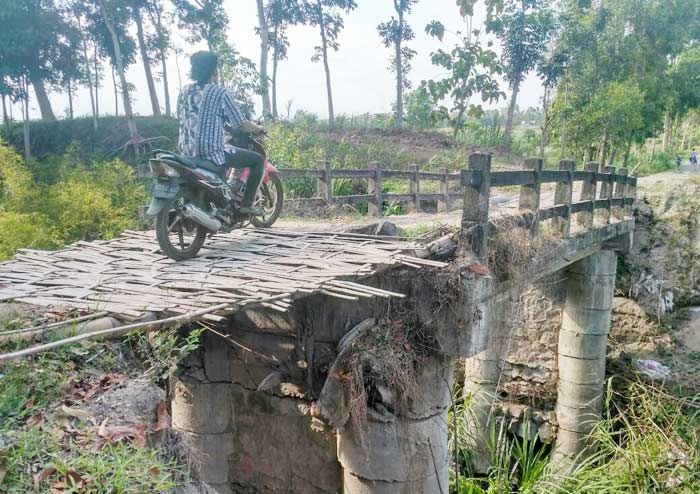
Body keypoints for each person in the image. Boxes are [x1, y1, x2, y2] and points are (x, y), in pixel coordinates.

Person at [177, 51, 265, 216]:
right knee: (258, 161)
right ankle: (246, 205)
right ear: (213, 71)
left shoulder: (184, 91)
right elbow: (241, 124)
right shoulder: (219, 93)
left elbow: (183, 117)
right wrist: (259, 128)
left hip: (186, 153)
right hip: (211, 153)